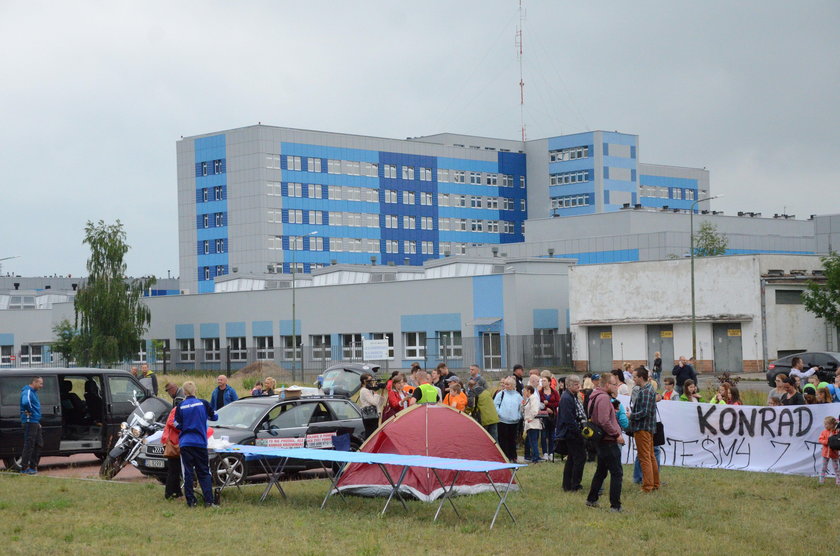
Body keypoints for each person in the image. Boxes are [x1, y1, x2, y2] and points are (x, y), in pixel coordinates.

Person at [585, 373, 625, 512]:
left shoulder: (596, 396)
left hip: (602, 441)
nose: (616, 387)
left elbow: (599, 416)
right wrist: (616, 434)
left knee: (601, 471)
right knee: (617, 473)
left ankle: (592, 499)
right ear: (607, 385)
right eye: (614, 384)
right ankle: (615, 505)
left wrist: (612, 410)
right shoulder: (603, 398)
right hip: (608, 440)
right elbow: (603, 420)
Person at [174, 381, 218, 507]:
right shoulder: (203, 403)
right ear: (195, 390)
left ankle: (191, 501)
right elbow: (215, 417)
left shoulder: (181, 405)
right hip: (199, 442)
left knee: (188, 472)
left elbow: (176, 423)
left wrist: (185, 426)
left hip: (185, 442)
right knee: (203, 472)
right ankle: (209, 501)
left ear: (184, 392)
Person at [627, 367, 660, 493]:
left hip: (643, 428)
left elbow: (645, 412)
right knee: (650, 456)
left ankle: (648, 486)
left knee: (644, 457)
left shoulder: (645, 391)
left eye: (635, 377)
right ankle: (655, 483)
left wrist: (632, 416)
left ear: (641, 377)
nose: (633, 379)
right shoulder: (649, 389)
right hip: (648, 428)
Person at [556, 375, 587, 491]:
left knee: (572, 459)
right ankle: (575, 485)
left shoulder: (573, 396)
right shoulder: (566, 398)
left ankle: (568, 484)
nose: (578, 386)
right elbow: (568, 419)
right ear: (568, 386)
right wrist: (578, 433)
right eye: (575, 384)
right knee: (579, 458)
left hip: (574, 432)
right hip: (572, 433)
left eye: (578, 383)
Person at [495, 377, 523, 462]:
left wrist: (518, 416)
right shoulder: (501, 394)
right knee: (503, 439)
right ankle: (504, 456)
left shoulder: (518, 396)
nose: (506, 386)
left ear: (513, 385)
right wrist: (500, 413)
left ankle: (513, 456)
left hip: (514, 421)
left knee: (512, 439)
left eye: (508, 384)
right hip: (502, 421)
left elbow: (521, 407)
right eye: (505, 384)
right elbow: (495, 405)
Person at [19, 376, 44, 475]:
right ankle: (24, 469)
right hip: (29, 421)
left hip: (35, 421)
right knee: (29, 444)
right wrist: (29, 412)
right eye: (40, 383)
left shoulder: (34, 393)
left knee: (39, 443)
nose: (41, 386)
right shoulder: (27, 391)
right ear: (34, 382)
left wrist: (37, 421)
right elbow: (25, 402)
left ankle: (33, 467)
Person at [162, 397, 184, 500]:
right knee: (173, 470)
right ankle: (169, 493)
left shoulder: (175, 409)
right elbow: (171, 423)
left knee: (176, 469)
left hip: (173, 441)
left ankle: (177, 492)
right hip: (172, 442)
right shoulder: (176, 410)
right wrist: (183, 428)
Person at [538, 377, 560, 460]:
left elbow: (558, 402)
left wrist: (550, 405)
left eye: (544, 381)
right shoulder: (540, 392)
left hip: (552, 416)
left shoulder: (554, 392)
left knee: (551, 435)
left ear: (549, 382)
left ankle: (551, 452)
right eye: (542, 381)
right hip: (543, 416)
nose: (543, 382)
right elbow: (538, 403)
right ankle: (545, 453)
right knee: (543, 435)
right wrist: (545, 408)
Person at [521, 385, 542, 464]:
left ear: (529, 391)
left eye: (525, 391)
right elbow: (525, 409)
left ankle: (535, 458)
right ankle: (534, 456)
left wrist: (531, 418)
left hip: (533, 423)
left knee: (533, 441)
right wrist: (523, 404)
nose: (523, 392)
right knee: (530, 440)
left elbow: (534, 410)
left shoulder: (533, 398)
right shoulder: (528, 399)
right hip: (529, 423)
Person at [817, 416, 840, 485]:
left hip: (834, 453)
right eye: (824, 424)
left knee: (836, 468)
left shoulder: (836, 432)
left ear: (832, 424)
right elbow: (820, 440)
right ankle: (821, 481)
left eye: (826, 424)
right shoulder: (824, 432)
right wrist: (828, 441)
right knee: (823, 467)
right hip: (825, 453)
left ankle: (838, 481)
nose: (825, 426)